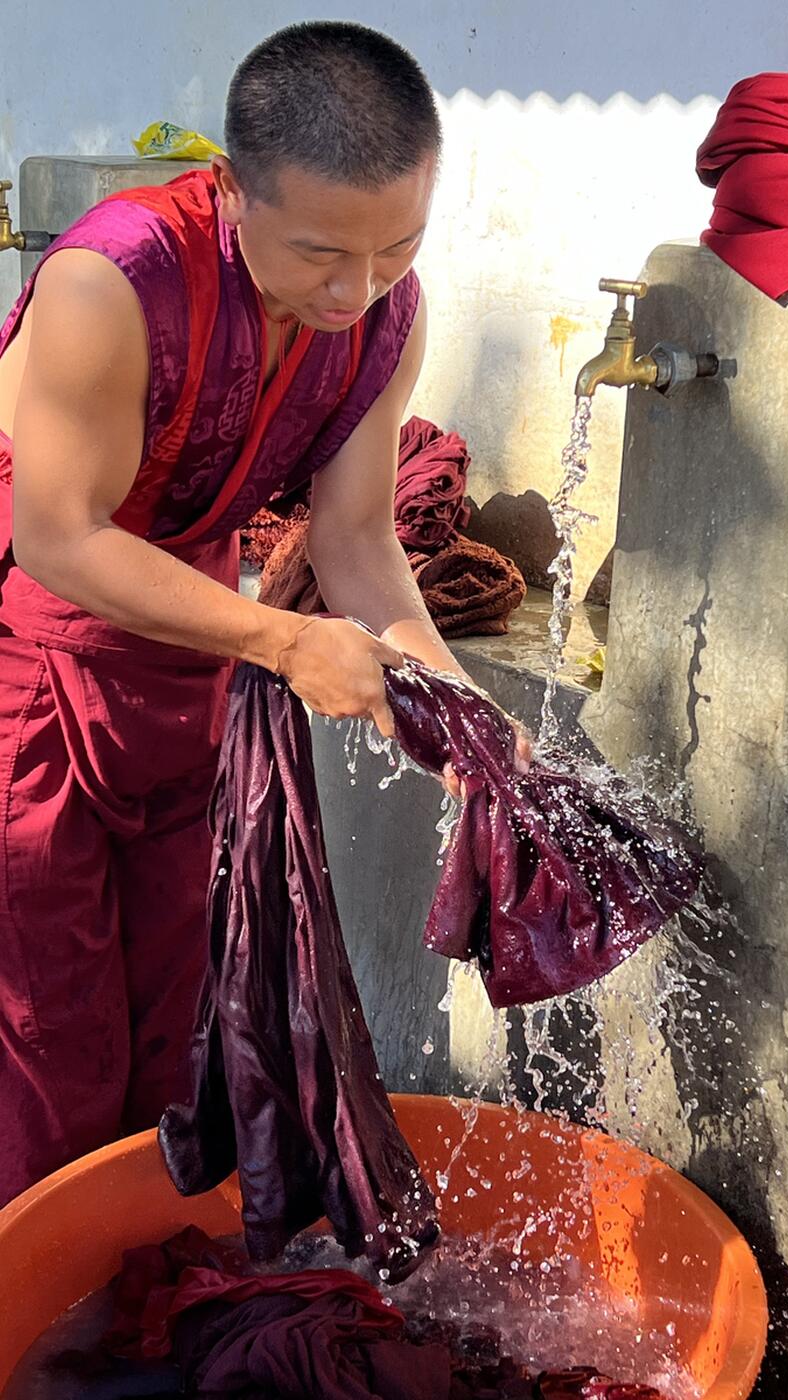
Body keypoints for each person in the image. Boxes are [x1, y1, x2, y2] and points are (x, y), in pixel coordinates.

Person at [0, 21, 529, 1207]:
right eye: (319, 253)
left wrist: (451, 702)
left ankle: (146, 1280)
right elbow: (59, 535)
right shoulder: (112, 279)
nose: (357, 290)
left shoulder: (387, 313)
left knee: (181, 1019)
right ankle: (35, 1312)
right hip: (28, 658)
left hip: (186, 658)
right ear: (231, 189)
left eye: (396, 245)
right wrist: (286, 641)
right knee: (44, 1037)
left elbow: (353, 537)